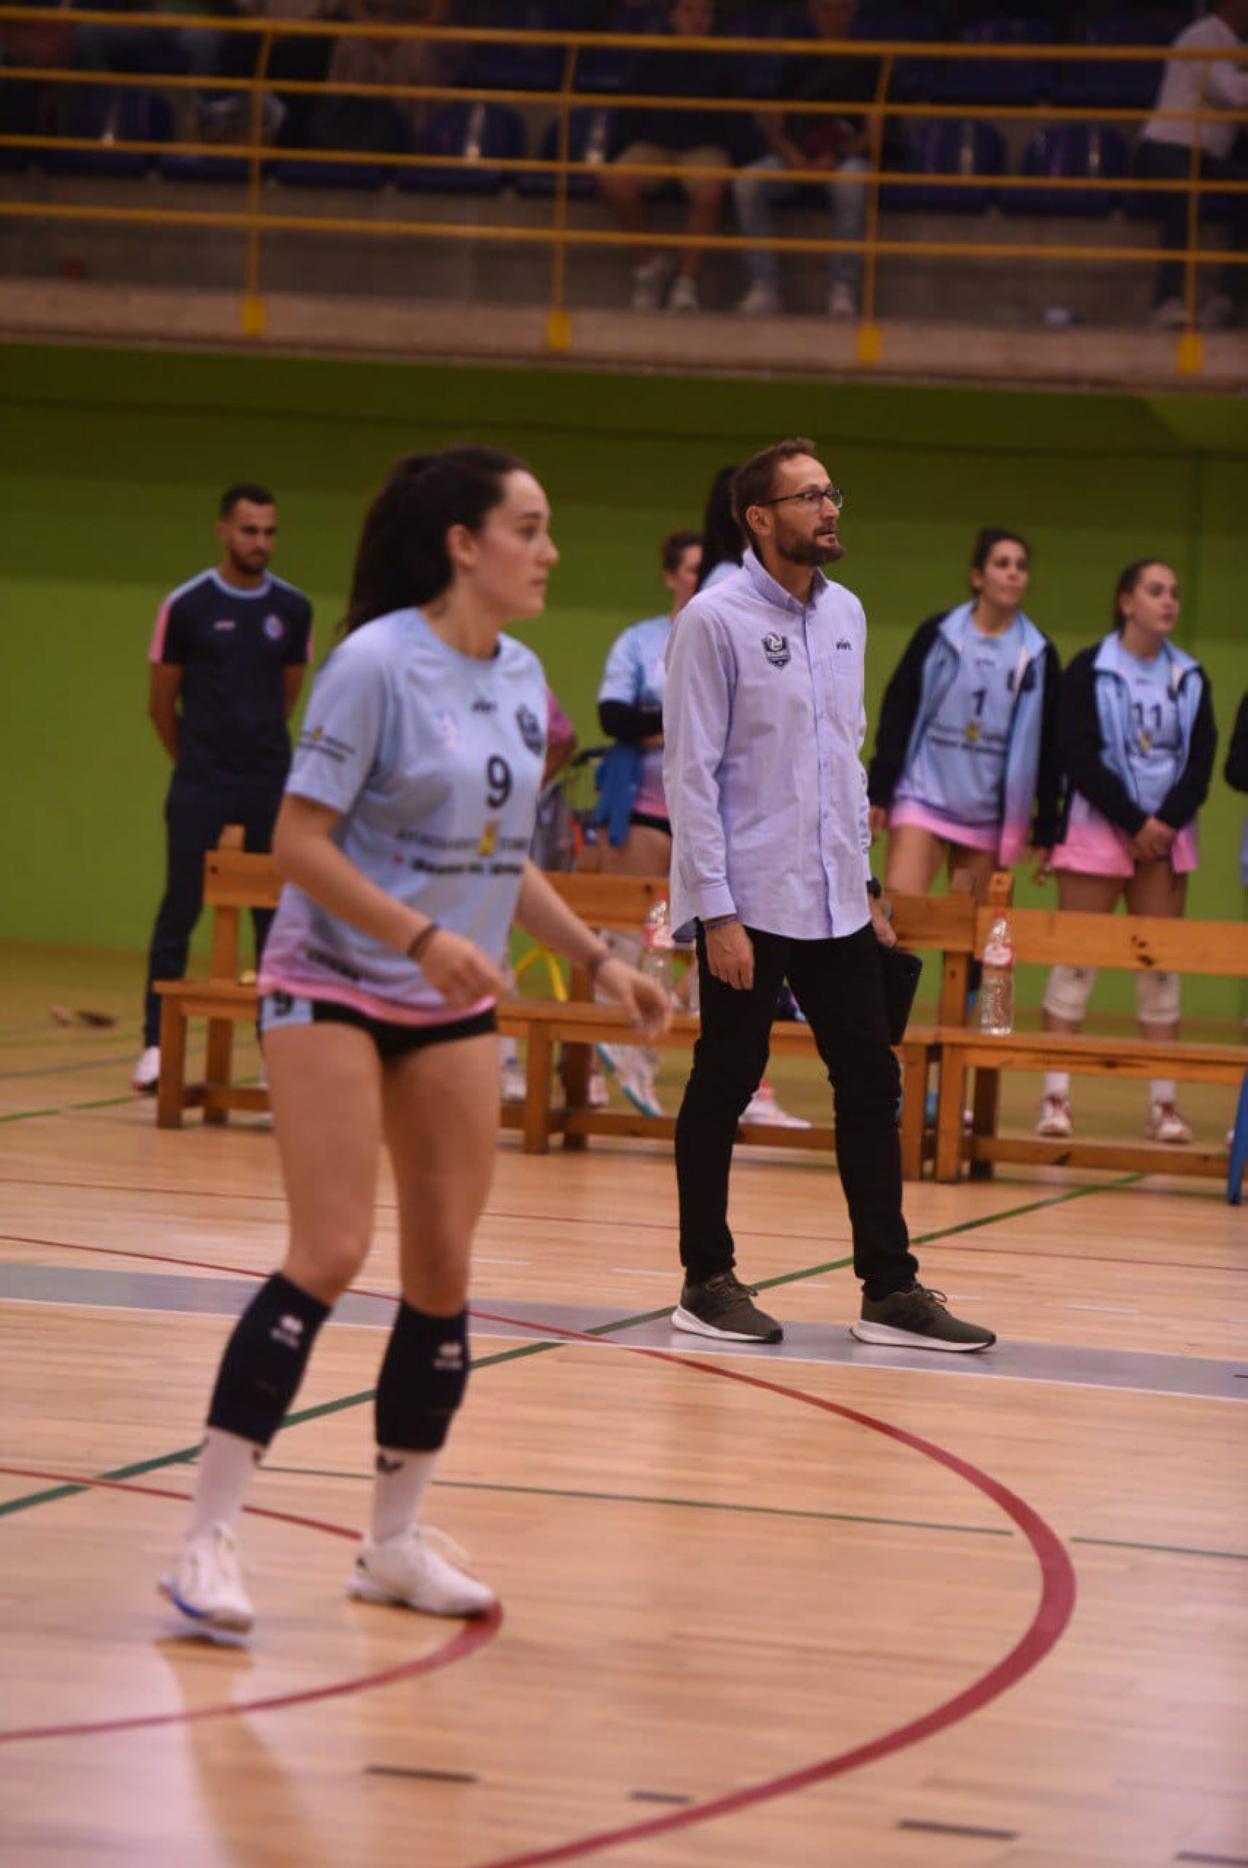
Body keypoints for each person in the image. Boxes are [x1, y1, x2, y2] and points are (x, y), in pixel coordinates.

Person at [157, 446, 670, 1634]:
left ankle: (390, 1540)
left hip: (446, 999)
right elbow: (299, 840)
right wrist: (419, 934)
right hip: (333, 976)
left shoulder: (522, 673)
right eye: (529, 529)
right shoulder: (373, 665)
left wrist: (601, 963)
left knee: (442, 1268)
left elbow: (508, 858)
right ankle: (205, 1538)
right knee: (331, 1247)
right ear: (463, 542)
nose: (548, 551)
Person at [662, 436, 996, 1352]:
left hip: (836, 903)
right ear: (760, 519)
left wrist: (869, 886)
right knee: (723, 1084)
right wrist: (716, 912)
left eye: (832, 493)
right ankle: (706, 1279)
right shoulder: (713, 620)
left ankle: (890, 1290)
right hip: (749, 901)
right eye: (809, 497)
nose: (830, 509)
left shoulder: (845, 612)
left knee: (872, 1083)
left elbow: (843, 764)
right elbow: (689, 778)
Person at [134, 484, 313, 1093]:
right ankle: (157, 1045)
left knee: (276, 917)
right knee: (180, 906)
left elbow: (287, 694)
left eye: (269, 531)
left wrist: (254, 750)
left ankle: (275, 1053)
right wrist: (194, 763)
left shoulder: (292, 609)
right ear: (222, 531)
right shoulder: (185, 606)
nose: (259, 542)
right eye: (248, 531)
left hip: (267, 781)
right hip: (201, 782)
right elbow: (162, 704)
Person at [1038, 559, 1217, 1144]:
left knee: (1159, 970)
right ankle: (1055, 1097)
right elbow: (1077, 752)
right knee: (1076, 965)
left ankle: (1164, 1106)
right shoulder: (1092, 668)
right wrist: (1132, 820)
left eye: (1175, 593)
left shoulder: (1190, 676)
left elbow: (1199, 762)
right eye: (1156, 591)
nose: (1169, 602)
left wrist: (1163, 823)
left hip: (1166, 840)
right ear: (1126, 602)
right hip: (1098, 831)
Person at [867, 528, 1060, 902]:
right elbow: (899, 710)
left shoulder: (1037, 654)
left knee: (974, 940)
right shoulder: (938, 635)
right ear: (977, 576)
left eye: (1021, 566)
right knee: (901, 920)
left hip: (986, 816)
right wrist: (880, 789)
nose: (1013, 573)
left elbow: (1049, 745)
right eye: (1002, 564)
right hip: (922, 798)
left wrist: (1046, 824)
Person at [589, 528, 700, 1116]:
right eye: (689, 570)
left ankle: (647, 1059)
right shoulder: (640, 641)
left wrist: (664, 720)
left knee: (710, 947)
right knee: (628, 936)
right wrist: (677, 721)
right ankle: (601, 1058)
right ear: (669, 575)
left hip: (704, 815)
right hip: (643, 808)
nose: (698, 580)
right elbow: (614, 716)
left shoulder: (724, 634)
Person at [734, 0, 895, 320]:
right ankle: (764, 287)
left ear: (852, 12)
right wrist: (790, 153)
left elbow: (876, 133)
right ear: (812, 13)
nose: (832, 17)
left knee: (851, 184)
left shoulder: (871, 62)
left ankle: (842, 290)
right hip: (797, 157)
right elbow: (775, 126)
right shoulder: (796, 60)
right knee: (748, 182)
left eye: (840, 9)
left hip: (847, 158)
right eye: (825, 9)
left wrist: (836, 156)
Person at [598, 0, 735, 314]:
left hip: (704, 147)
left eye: (705, 12)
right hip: (655, 146)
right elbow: (628, 110)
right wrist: (615, 153)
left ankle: (685, 283)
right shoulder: (651, 56)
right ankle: (647, 270)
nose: (698, 19)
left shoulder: (725, 59)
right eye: (690, 11)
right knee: (613, 180)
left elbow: (736, 118)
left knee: (711, 191)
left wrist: (741, 161)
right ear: (673, 16)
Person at [1134, 0, 1248, 332]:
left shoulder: (1237, 49)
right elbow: (1231, 94)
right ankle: (1166, 302)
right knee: (1184, 195)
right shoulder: (1201, 37)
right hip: (1164, 147)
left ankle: (1226, 300)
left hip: (1206, 156)